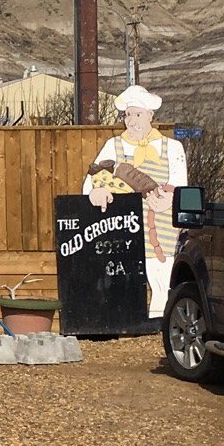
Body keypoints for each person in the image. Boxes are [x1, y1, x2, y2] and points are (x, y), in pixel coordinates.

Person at [83, 84, 188, 318]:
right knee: (123, 278)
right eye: (128, 115)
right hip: (122, 226)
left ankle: (160, 321)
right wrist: (97, 191)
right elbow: (91, 180)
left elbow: (180, 184)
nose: (132, 121)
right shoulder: (113, 146)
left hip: (161, 227)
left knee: (162, 278)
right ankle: (125, 320)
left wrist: (169, 199)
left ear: (150, 115)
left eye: (137, 114)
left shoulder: (172, 147)